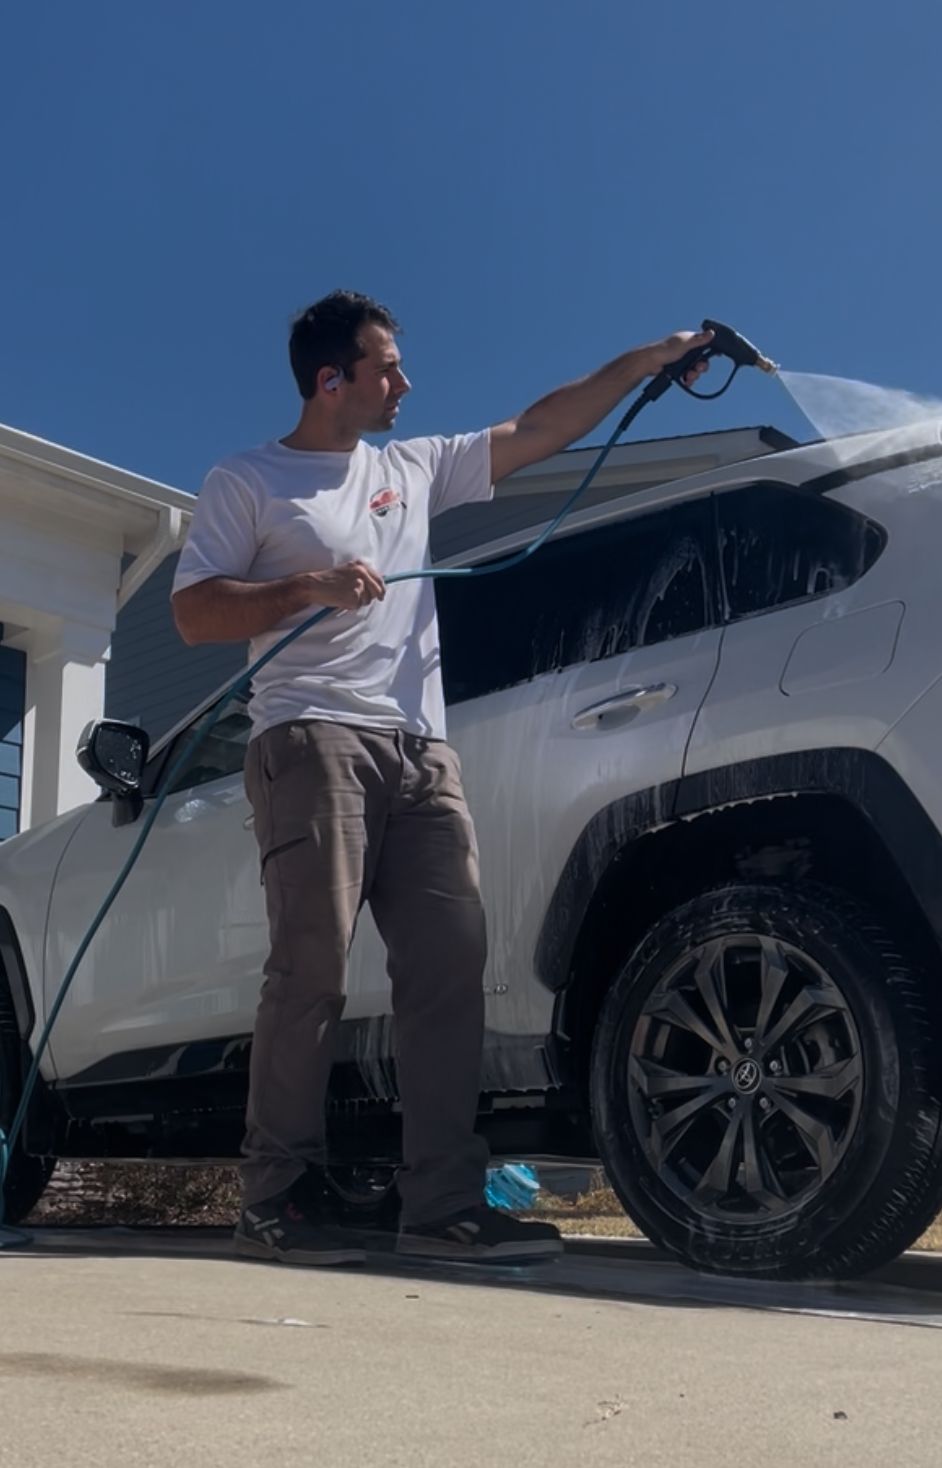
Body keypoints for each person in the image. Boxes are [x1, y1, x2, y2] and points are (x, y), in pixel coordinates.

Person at [171, 291, 710, 1267]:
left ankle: (444, 1206)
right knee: (312, 972)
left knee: (449, 970)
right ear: (331, 378)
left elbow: (542, 426)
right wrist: (307, 586)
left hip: (422, 755)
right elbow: (195, 614)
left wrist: (648, 362)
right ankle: (277, 1198)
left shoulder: (412, 467)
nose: (405, 384)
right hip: (311, 742)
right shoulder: (248, 480)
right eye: (386, 367)